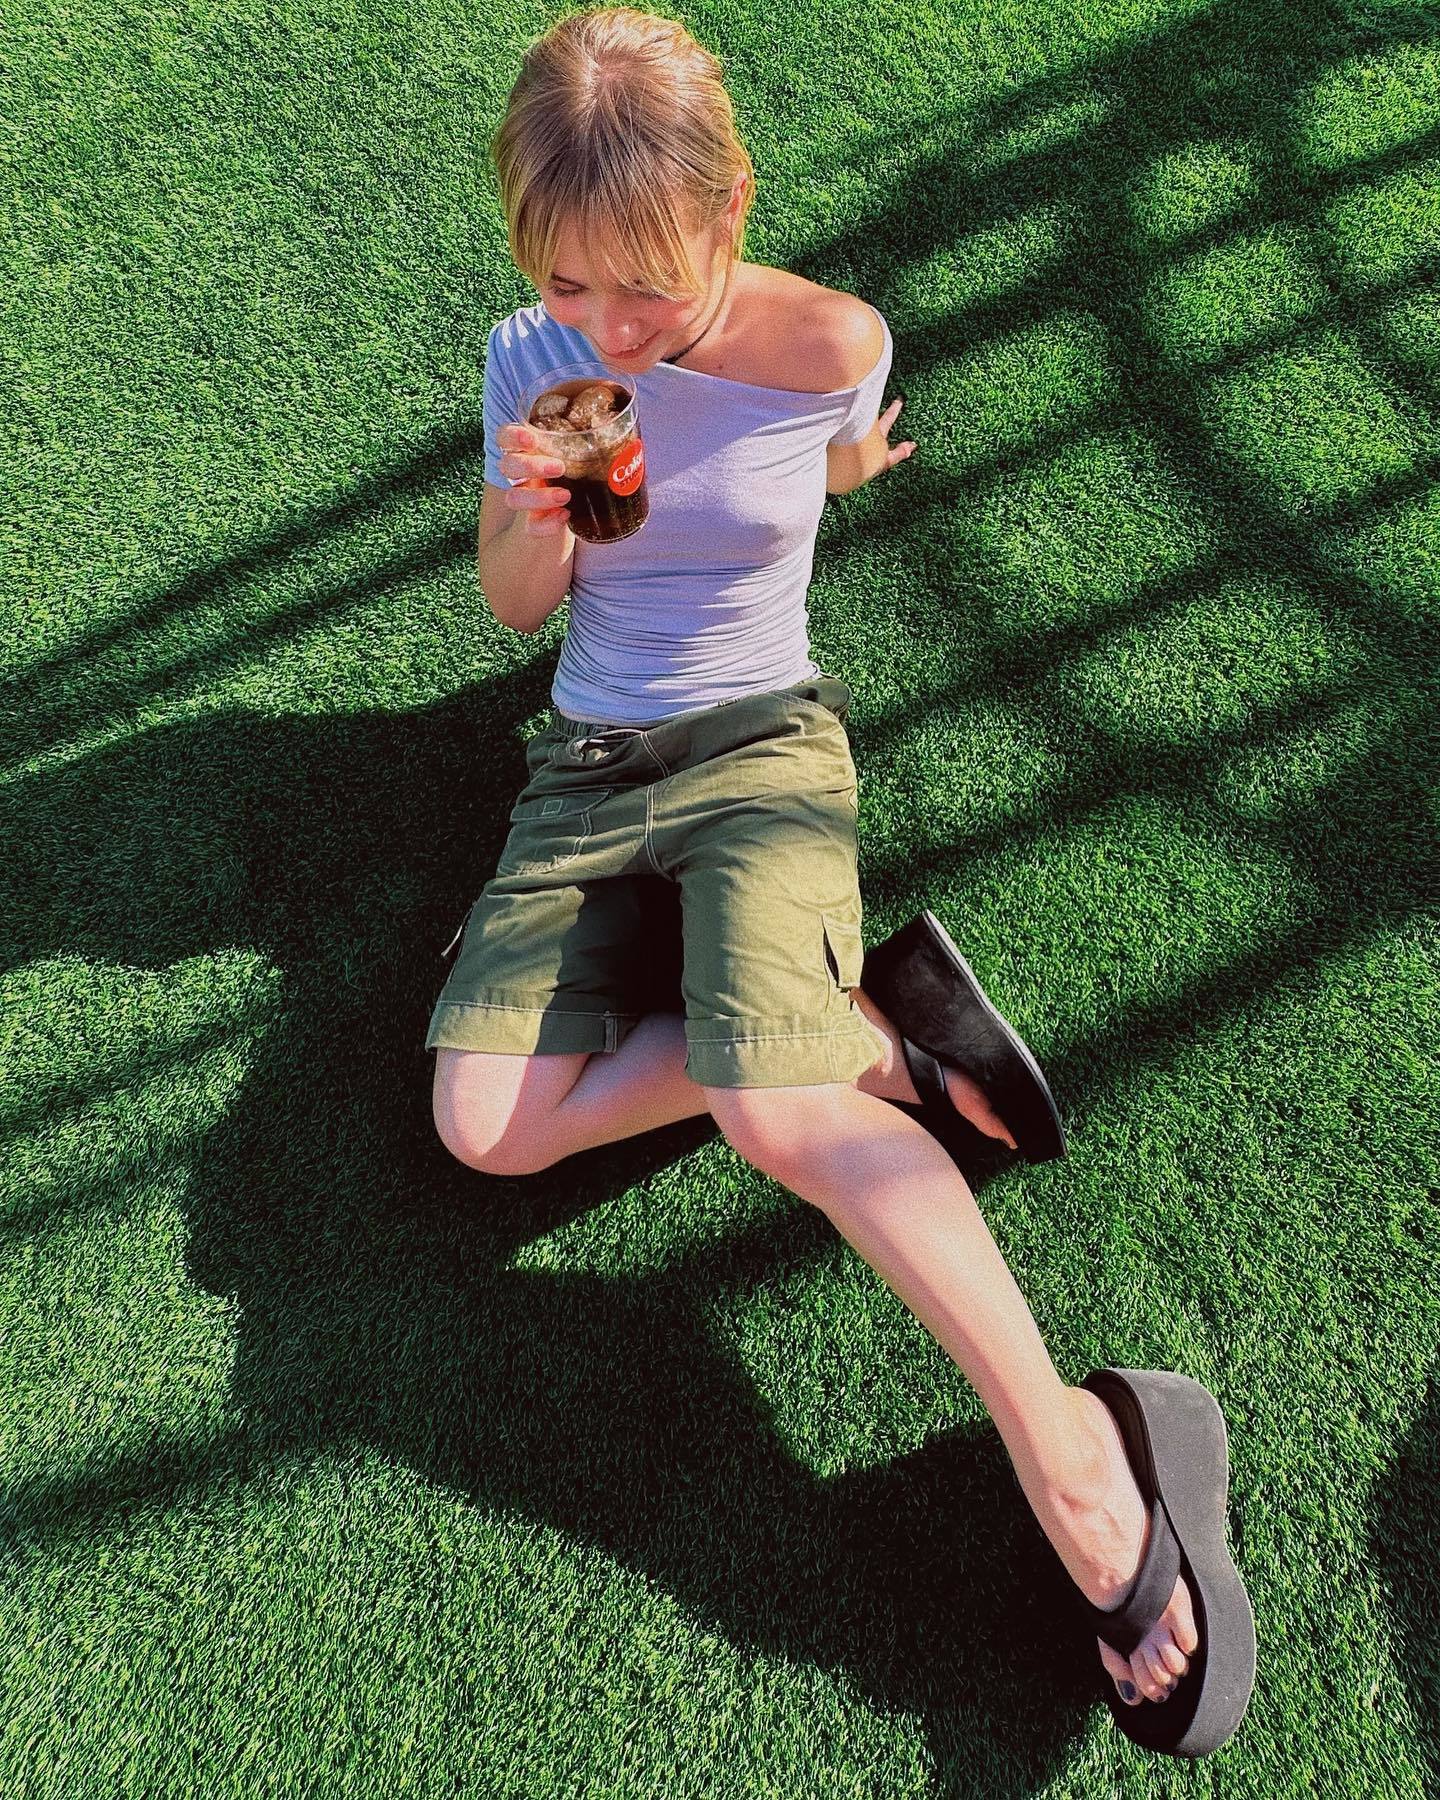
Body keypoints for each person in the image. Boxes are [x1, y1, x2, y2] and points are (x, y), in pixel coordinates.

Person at [427, 6, 1252, 1759]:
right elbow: (514, 608)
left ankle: (1081, 1456)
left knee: (765, 1103)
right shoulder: (534, 360)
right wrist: (536, 503)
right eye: (568, 281)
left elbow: (818, 450)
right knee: (484, 1130)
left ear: (729, 211)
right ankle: (869, 1025)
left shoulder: (834, 341)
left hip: (762, 743)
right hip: (587, 761)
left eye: (648, 284)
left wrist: (845, 464)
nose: (611, 327)